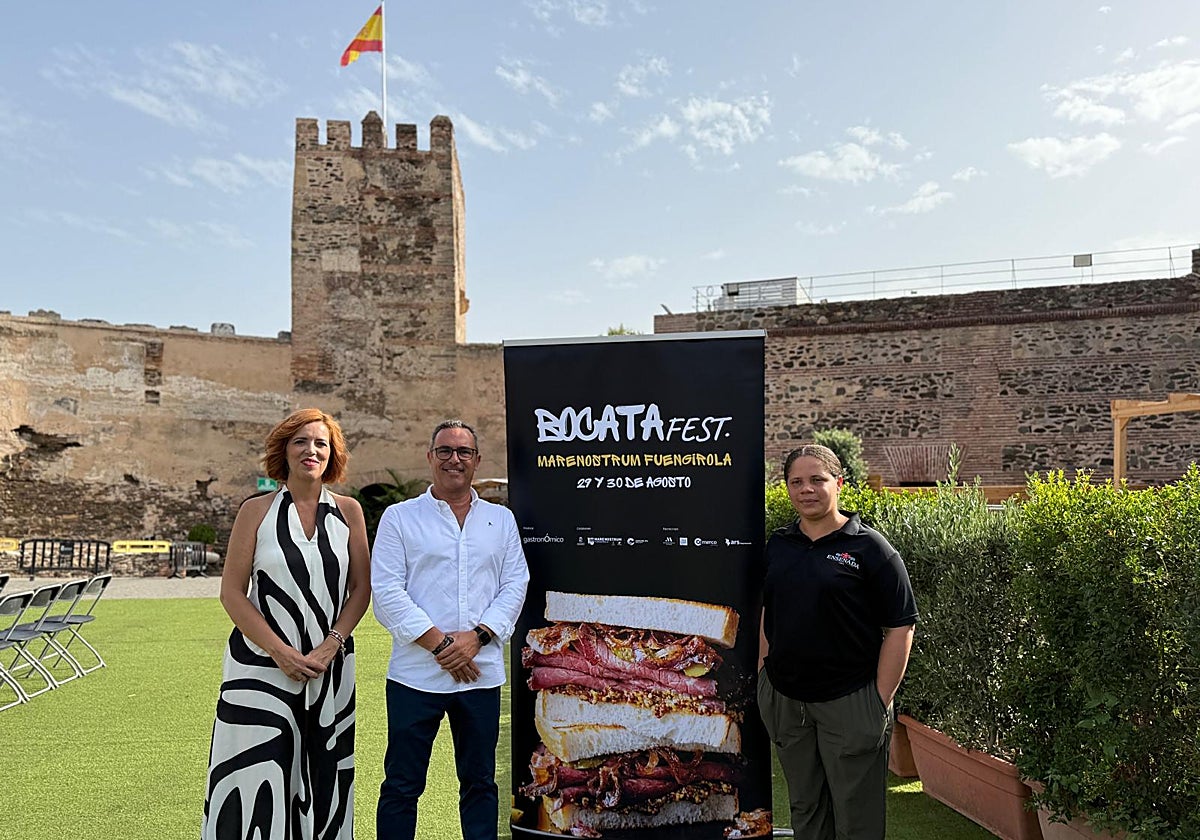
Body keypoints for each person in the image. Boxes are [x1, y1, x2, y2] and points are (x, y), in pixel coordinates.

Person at [202, 409, 371, 840]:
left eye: (320, 443)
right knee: (256, 771)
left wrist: (331, 645)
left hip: (329, 668)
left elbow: (360, 591)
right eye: (300, 441)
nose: (311, 450)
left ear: (332, 455)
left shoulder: (349, 512)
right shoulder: (255, 511)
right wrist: (280, 651)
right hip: (260, 667)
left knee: (324, 771)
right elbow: (232, 594)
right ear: (284, 450)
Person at [372, 419, 529, 840]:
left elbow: (516, 583)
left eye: (463, 452)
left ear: (476, 461)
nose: (453, 459)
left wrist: (475, 638)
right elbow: (386, 590)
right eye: (444, 451)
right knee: (402, 785)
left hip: (480, 675)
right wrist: (442, 645)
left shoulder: (501, 520)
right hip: (415, 676)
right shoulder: (399, 518)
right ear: (430, 457)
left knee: (480, 784)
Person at [757, 444, 918, 840]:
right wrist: (765, 675)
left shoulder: (871, 549)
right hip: (786, 701)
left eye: (817, 479)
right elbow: (767, 612)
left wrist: (878, 699)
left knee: (856, 819)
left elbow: (901, 626)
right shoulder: (778, 545)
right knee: (806, 811)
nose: (806, 489)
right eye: (796, 481)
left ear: (839, 483)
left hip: (851, 701)